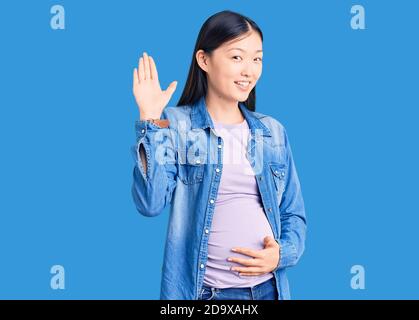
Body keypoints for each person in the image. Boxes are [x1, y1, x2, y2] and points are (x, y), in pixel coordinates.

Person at [131, 10, 306, 300]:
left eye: (257, 58)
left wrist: (280, 256)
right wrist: (150, 120)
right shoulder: (177, 126)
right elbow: (150, 203)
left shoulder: (272, 132)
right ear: (204, 60)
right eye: (237, 57)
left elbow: (293, 213)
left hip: (270, 290)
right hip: (208, 295)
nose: (249, 70)